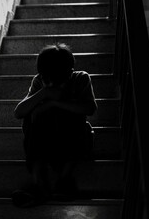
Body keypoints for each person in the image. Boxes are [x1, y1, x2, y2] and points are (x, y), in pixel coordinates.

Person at [12, 43, 97, 207]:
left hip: (73, 139)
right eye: (47, 80)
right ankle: (38, 184)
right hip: (46, 141)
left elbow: (90, 108)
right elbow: (19, 112)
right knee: (31, 118)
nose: (51, 85)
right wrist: (44, 93)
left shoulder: (80, 78)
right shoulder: (40, 81)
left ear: (69, 73)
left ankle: (63, 181)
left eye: (57, 82)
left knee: (79, 121)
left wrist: (53, 104)